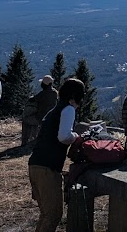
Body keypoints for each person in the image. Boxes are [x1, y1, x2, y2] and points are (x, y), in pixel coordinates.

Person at [28, 78, 86, 232]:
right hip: (48, 168)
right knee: (53, 214)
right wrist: (77, 137)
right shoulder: (68, 109)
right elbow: (63, 136)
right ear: (76, 96)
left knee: (46, 214)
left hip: (35, 164)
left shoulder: (54, 110)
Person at [23, 75, 58, 146]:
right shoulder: (55, 93)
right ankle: (34, 138)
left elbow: (32, 99)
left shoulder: (42, 94)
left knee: (26, 120)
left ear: (45, 84)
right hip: (51, 118)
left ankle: (25, 141)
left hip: (40, 118)